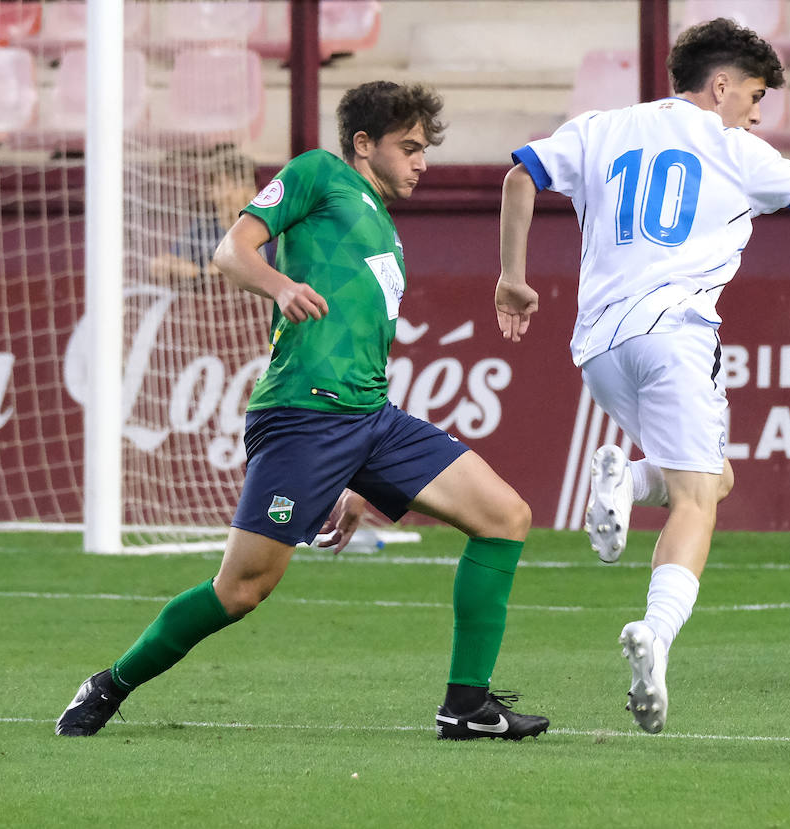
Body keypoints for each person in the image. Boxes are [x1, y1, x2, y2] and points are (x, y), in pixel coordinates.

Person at [56, 81, 549, 741]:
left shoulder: (382, 227)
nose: (421, 162)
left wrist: (354, 476)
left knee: (505, 516)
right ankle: (109, 683)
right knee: (240, 591)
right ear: (363, 144)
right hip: (303, 416)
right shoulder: (318, 173)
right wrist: (282, 286)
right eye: (409, 148)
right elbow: (232, 250)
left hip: (370, 419)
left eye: (425, 149)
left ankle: (467, 704)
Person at [495, 18, 790, 733]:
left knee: (712, 476)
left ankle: (627, 478)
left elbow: (518, 177)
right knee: (698, 500)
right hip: (677, 335)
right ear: (718, 86)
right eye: (753, 95)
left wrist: (511, 278)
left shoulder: (599, 125)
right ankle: (655, 633)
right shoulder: (734, 147)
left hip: (597, 347)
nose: (757, 111)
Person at [148, 148, 260, 284]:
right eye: (212, 184)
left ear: (245, 188)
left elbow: (248, 269)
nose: (211, 192)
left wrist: (198, 272)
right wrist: (174, 266)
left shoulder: (261, 227)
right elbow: (162, 263)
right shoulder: (205, 225)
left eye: (219, 184)